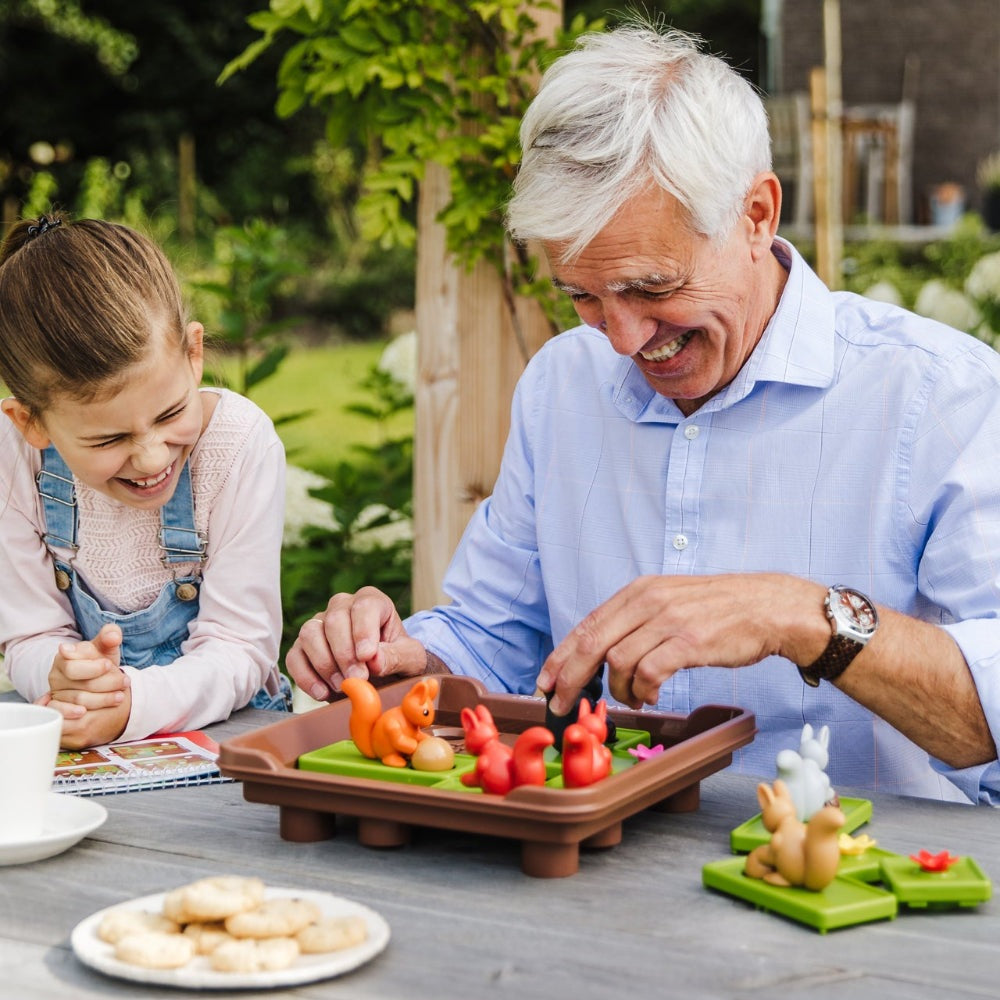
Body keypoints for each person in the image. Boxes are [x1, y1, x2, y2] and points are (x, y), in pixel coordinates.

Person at [287, 24, 1000, 804]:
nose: (623, 339)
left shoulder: (942, 398)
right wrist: (394, 662)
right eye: (583, 296)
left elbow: (989, 725)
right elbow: (491, 641)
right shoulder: (562, 383)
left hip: (861, 897)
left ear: (757, 215)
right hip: (592, 877)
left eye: (652, 287)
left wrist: (804, 616)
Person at [0, 214, 290, 749]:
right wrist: (63, 677)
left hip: (227, 741)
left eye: (169, 413)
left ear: (194, 352)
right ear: (30, 422)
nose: (152, 455)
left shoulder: (237, 446)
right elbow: (30, 636)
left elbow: (240, 647)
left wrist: (128, 703)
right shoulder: (13, 457)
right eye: (108, 440)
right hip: (88, 740)